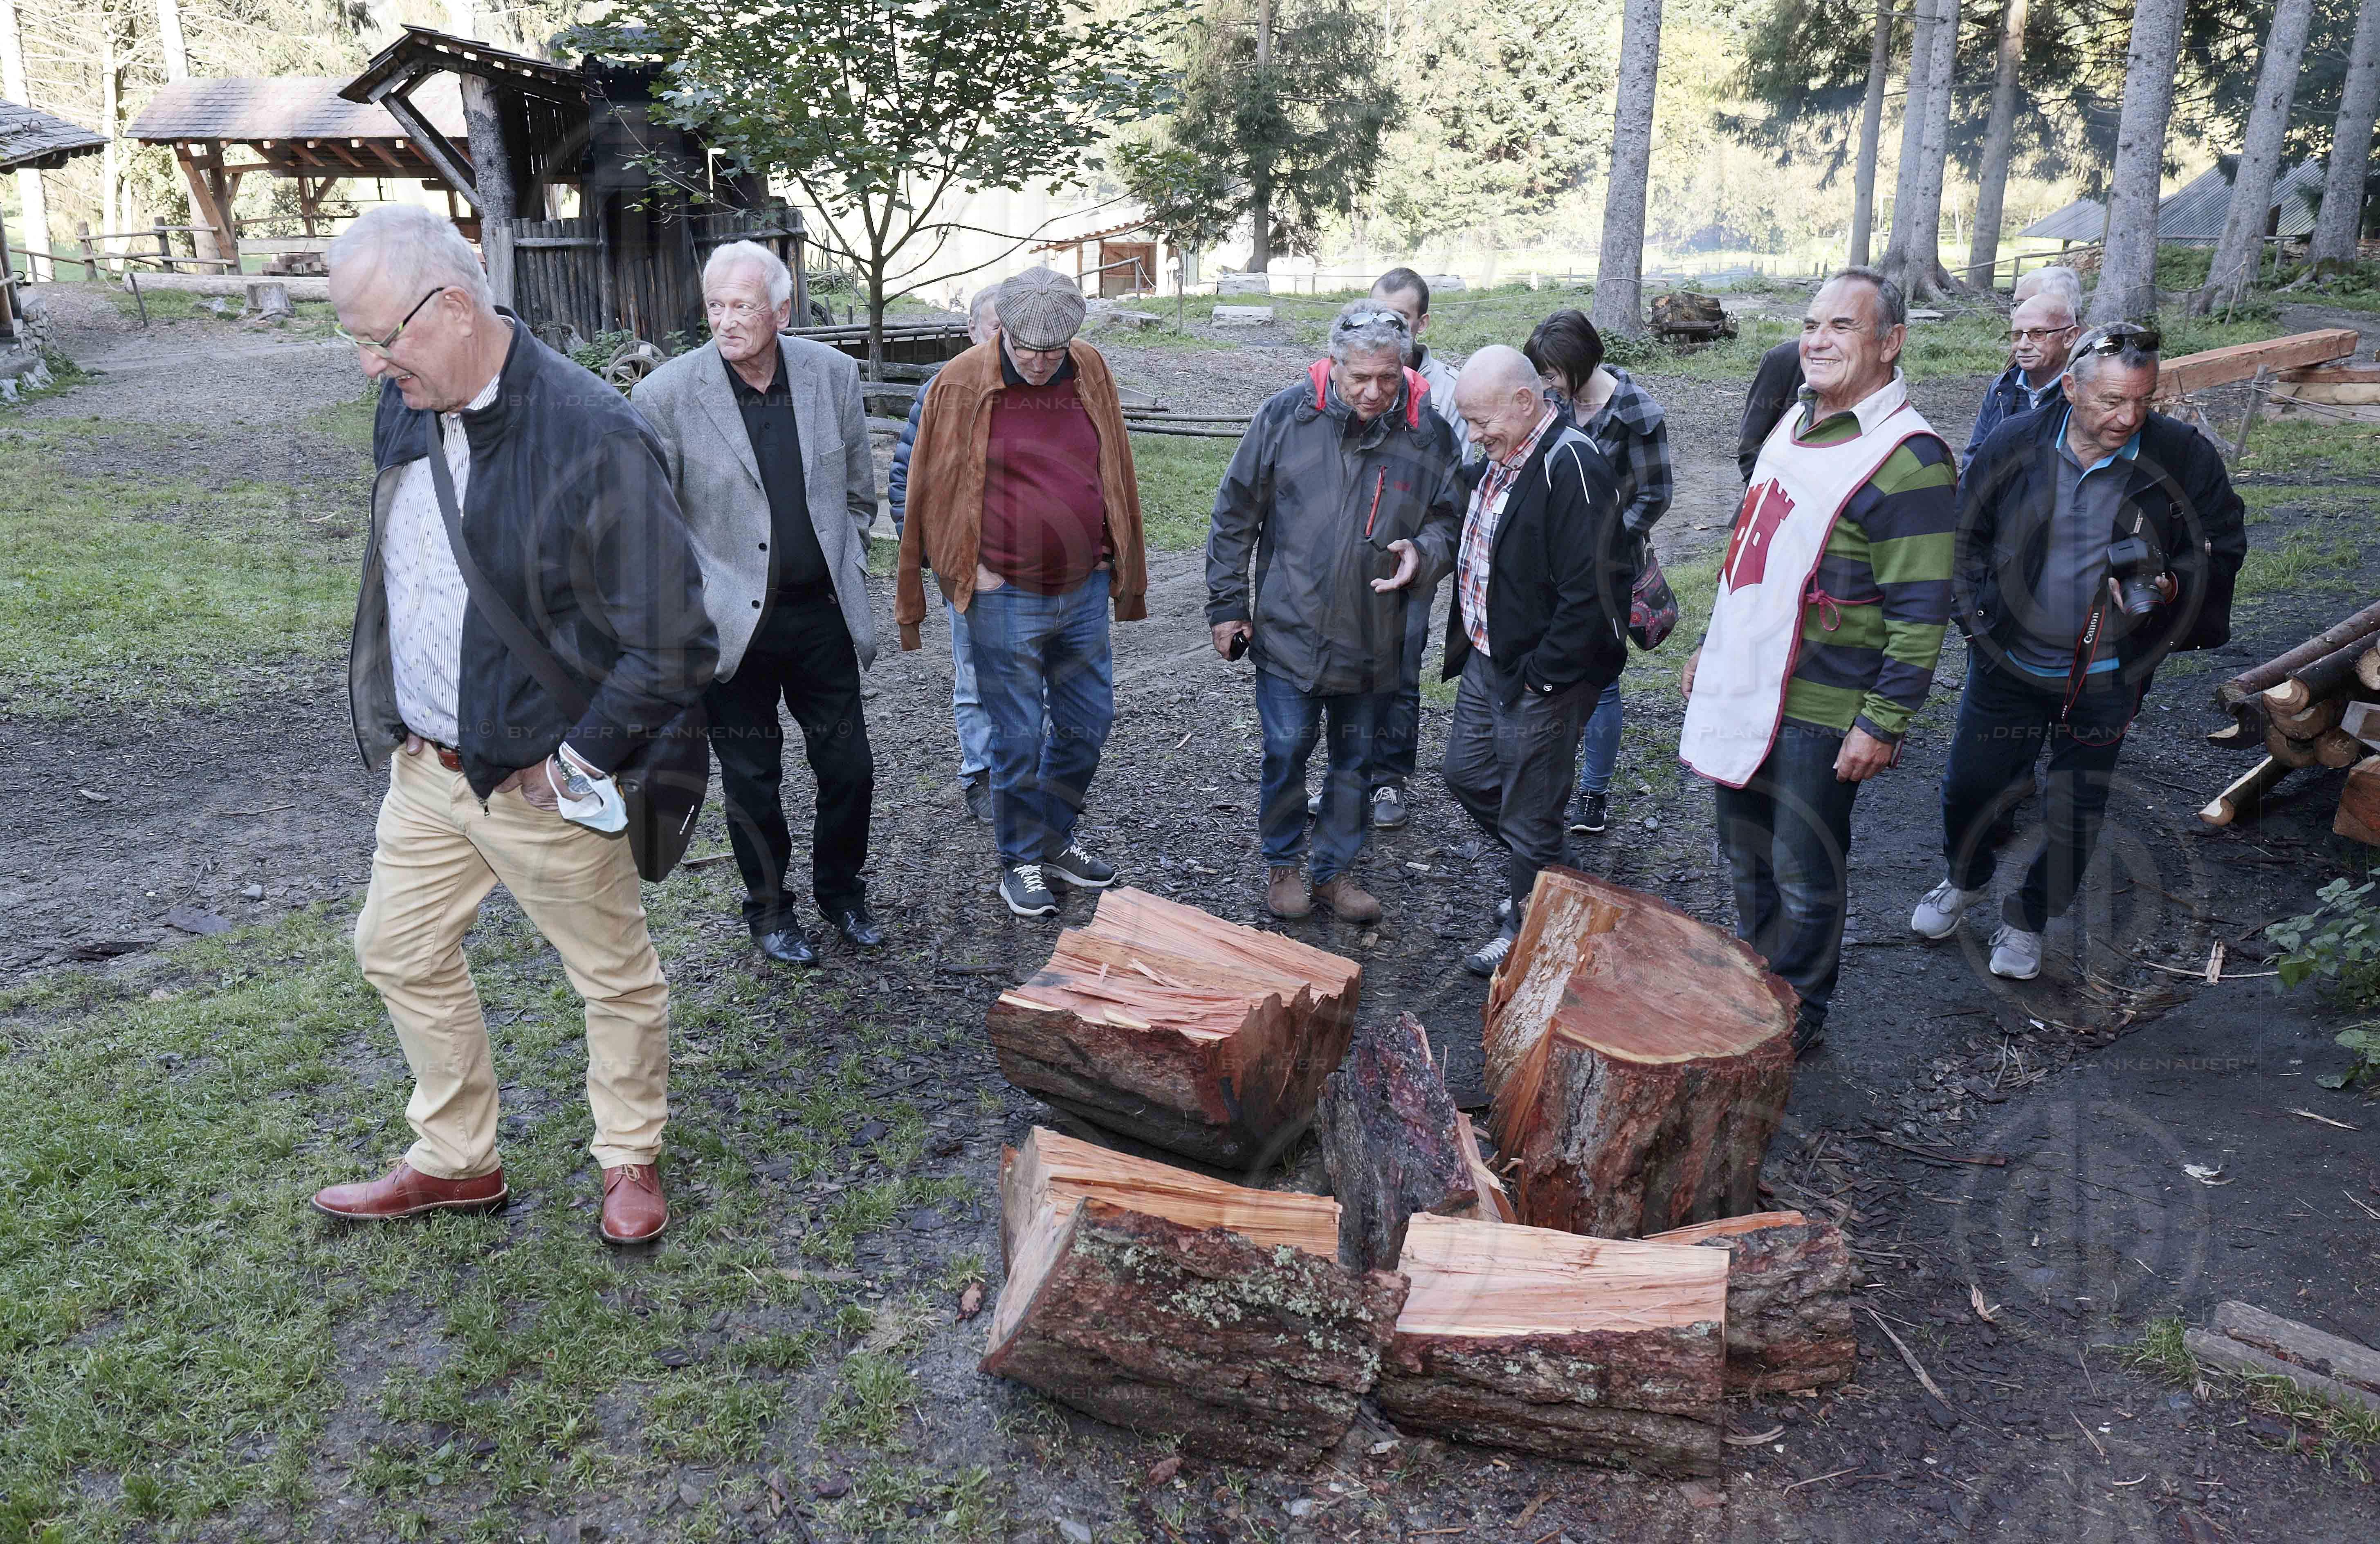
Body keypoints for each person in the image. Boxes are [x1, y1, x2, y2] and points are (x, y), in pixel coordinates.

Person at [312, 205, 716, 1244]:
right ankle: (457, 1159)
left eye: (379, 335)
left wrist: (572, 759)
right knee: (394, 948)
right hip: (430, 767)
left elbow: (675, 644)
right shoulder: (413, 396)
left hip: (539, 772)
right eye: (353, 339)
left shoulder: (596, 434)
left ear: (452, 308)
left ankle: (629, 1156)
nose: (368, 366)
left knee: (613, 974)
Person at [1680, 267, 1956, 1058]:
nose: (1818, 340)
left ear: (1891, 343)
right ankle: (1754, 982)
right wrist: (1712, 640)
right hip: (1750, 684)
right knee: (1746, 853)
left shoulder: (1909, 460)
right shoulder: (1794, 423)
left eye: (1843, 326)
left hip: (1824, 706)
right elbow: (1752, 554)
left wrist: (1884, 719)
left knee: (1806, 866)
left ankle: (1800, 1010)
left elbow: (1922, 611)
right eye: (1811, 325)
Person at [1915, 323, 2246, 978]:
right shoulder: (2015, 442)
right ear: (2070, 388)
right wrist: (1975, 620)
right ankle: (1966, 876)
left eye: (2143, 402)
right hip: (2008, 659)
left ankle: (2029, 920)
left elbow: (2225, 543)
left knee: (2075, 805)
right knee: (1971, 787)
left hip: (2110, 673)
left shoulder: (2182, 457)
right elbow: (1963, 537)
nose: (2128, 418)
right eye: (2111, 401)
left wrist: (2172, 581)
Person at [633, 241, 882, 969]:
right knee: (753, 779)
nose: (725, 321)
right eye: (714, 305)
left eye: (742, 306)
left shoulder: (831, 377)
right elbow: (652, 526)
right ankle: (771, 912)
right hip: (730, 630)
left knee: (850, 770)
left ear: (781, 310)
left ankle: (844, 894)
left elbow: (859, 495)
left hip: (821, 616)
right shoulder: (667, 396)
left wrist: (847, 559)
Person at [894, 266, 1148, 918]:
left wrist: (1109, 556)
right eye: (1026, 350)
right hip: (1003, 595)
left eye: (1052, 352)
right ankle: (1019, 861)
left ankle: (1053, 838)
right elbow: (926, 485)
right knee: (1016, 738)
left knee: (1089, 724)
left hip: (1084, 586)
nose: (1039, 364)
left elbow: (1112, 461)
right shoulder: (959, 382)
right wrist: (962, 569)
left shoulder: (1089, 368)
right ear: (1000, 329)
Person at [1208, 302, 1462, 921]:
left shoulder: (1429, 432)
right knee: (1287, 749)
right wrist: (1227, 606)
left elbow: (1454, 519)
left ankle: (1334, 873)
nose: (1374, 392)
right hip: (1289, 631)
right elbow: (1236, 514)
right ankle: (1284, 865)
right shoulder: (1285, 418)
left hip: (1378, 636)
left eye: (1387, 378)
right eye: (1360, 379)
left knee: (1355, 760)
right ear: (1334, 366)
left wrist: (1425, 553)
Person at [1441, 346, 1631, 976]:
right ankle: (1552, 876)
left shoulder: (1571, 463)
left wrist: (1544, 677)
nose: (1473, 435)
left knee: (1530, 810)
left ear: (1525, 402)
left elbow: (1593, 590)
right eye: (1467, 422)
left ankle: (1530, 929)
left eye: (1480, 420)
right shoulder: (1505, 453)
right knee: (1467, 774)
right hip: (1489, 658)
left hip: (1541, 674)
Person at [1523, 309, 1674, 836]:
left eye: (1550, 373)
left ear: (1580, 362)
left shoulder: (1638, 413)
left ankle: (1594, 790)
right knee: (1555, 671)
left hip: (1610, 572)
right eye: (1539, 373)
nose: (1544, 384)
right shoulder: (1551, 404)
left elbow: (1656, 495)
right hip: (1552, 568)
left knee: (1602, 682)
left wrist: (1606, 543)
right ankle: (1546, 781)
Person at [1357, 267, 1468, 830]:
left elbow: (1457, 483)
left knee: (1400, 667)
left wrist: (1424, 548)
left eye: (1398, 319)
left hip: (1413, 553)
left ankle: (1389, 778)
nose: (1386, 329)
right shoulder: (1353, 374)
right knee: (1343, 662)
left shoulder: (1447, 391)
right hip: (1353, 554)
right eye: (1376, 313)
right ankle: (1347, 774)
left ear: (1423, 323)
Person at [889, 286, 1004, 824]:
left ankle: (1024, 777)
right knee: (974, 679)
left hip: (1033, 568)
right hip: (966, 566)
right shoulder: (942, 391)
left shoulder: (1045, 392)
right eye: (992, 327)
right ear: (972, 332)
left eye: (1013, 328)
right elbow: (904, 480)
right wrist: (938, 557)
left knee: (1039, 679)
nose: (1001, 340)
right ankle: (980, 775)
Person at [1966, 273, 2082, 457]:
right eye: (2017, 335)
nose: (2023, 345)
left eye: (2038, 333)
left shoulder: (2086, 391)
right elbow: (1974, 457)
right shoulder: (2003, 386)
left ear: (2069, 337)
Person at [1736, 337, 1805, 483]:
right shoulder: (1782, 360)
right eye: (1813, 327)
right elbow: (1750, 443)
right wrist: (1761, 487)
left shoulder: (1864, 372)